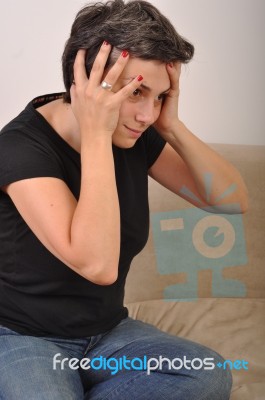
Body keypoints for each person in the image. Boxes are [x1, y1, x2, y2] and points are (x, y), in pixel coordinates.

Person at [0, 0, 248, 399]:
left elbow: (230, 200)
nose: (147, 114)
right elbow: (98, 265)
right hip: (22, 337)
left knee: (208, 374)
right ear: (84, 81)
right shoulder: (18, 149)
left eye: (160, 97)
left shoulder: (135, 133)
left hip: (107, 334)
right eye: (136, 93)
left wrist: (174, 126)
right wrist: (96, 135)